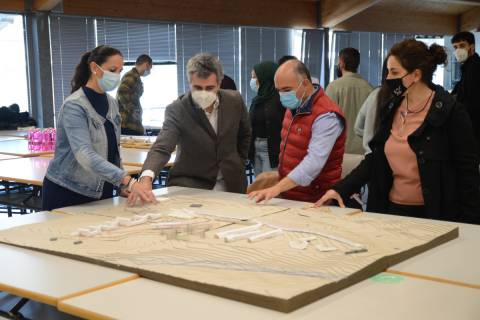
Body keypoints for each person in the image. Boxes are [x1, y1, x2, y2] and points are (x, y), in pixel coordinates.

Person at [317, 39, 480, 224]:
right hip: (390, 211)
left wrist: (471, 225)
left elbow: (468, 172)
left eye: (394, 72)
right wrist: (340, 188)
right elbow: (375, 159)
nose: (388, 78)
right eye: (388, 71)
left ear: (416, 75)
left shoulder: (451, 112)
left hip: (435, 215)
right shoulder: (391, 107)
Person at [128, 53, 251, 205]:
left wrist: (239, 160)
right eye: (197, 88)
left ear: (219, 83)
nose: (204, 93)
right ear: (189, 83)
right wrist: (146, 178)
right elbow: (162, 148)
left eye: (210, 88)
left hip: (232, 185)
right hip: (192, 186)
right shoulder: (177, 109)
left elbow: (245, 134)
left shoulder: (235, 101)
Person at [42, 45, 153, 211]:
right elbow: (84, 154)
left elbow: (113, 152)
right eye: (112, 70)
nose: (117, 76)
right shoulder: (74, 105)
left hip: (102, 189)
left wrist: (122, 186)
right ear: (94, 68)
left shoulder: (112, 103)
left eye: (120, 70)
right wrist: (128, 180)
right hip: (69, 189)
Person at [248, 59, 346, 203]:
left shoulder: (327, 116)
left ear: (305, 83)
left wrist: (276, 188)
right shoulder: (296, 104)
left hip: (316, 198)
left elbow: (313, 163)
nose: (282, 95)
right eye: (279, 90)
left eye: (286, 90)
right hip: (291, 193)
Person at [326, 48, 373, 154]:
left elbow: (327, 121)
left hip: (339, 149)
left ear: (341, 63)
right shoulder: (370, 88)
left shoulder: (333, 87)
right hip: (363, 150)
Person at [248, 61, 285, 176]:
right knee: (259, 184)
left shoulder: (281, 98)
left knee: (268, 185)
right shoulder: (257, 99)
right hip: (255, 147)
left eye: (255, 77)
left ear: (265, 77)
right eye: (251, 77)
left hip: (270, 149)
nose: (252, 80)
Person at [451, 31, 480, 155]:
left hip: (474, 127)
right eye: (455, 47)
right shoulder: (467, 67)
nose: (458, 50)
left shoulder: (475, 67)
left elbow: (474, 102)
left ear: (472, 46)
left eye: (462, 46)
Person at [354, 59, 390, 154]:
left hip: (370, 154)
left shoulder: (375, 94)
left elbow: (357, 127)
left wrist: (369, 136)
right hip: (390, 159)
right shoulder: (368, 86)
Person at [117, 54, 153, 136]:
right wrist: (133, 111)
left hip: (131, 123)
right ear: (146, 64)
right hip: (127, 124)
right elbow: (122, 92)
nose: (149, 71)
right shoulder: (131, 76)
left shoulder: (135, 77)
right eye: (149, 68)